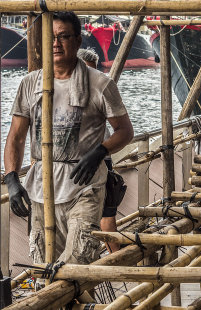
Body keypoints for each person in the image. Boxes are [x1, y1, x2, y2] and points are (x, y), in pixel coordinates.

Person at [4, 12, 133, 265]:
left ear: (78, 40)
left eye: (63, 36)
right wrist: (11, 179)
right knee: (45, 265)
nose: (56, 43)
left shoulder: (100, 84)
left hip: (85, 187)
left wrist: (100, 152)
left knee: (77, 263)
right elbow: (16, 137)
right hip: (41, 190)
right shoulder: (30, 84)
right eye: (50, 37)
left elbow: (125, 131)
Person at [77, 47, 121, 253]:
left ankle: (117, 261)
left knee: (106, 216)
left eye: (93, 72)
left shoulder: (98, 90)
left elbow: (122, 129)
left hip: (101, 159)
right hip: (78, 165)